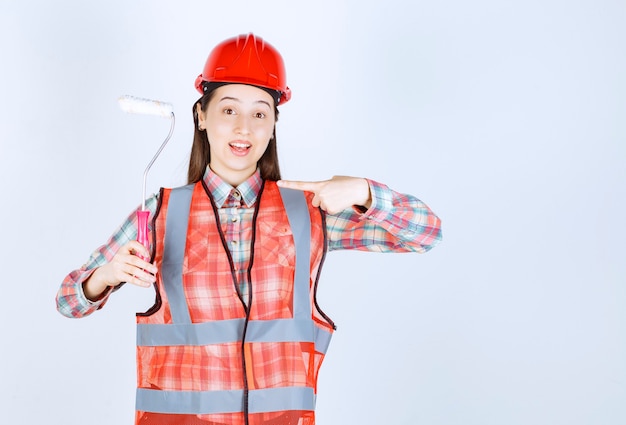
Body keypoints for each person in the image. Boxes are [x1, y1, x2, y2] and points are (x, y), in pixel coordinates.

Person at [56, 33, 442, 425]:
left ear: (274, 124)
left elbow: (426, 234)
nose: (244, 128)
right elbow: (68, 301)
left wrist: (364, 191)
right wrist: (104, 276)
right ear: (201, 116)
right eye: (228, 110)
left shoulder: (310, 212)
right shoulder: (160, 214)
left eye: (259, 113)